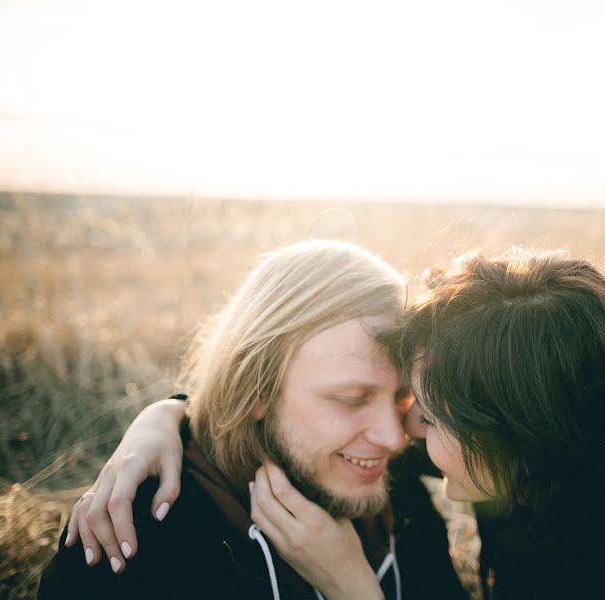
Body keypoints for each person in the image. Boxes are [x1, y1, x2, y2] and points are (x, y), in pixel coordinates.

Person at [63, 248, 605, 599]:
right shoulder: (136, 548)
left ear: (521, 433)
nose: (401, 443)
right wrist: (172, 412)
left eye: (420, 416)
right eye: (398, 407)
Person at [37, 240, 467, 600]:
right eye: (351, 399)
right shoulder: (137, 542)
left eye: (402, 397)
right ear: (255, 387)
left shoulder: (395, 489)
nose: (394, 438)